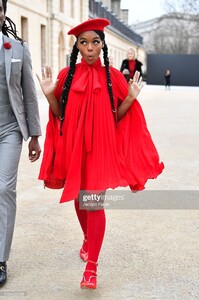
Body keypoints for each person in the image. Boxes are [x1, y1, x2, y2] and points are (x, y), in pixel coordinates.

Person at [37, 18, 164, 290]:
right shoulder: (66, 76)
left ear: (102, 44)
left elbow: (118, 117)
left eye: (95, 42)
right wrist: (50, 95)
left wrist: (129, 98)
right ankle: (86, 238)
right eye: (84, 42)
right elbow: (60, 115)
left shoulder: (113, 77)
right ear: (78, 47)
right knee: (79, 197)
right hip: (75, 147)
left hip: (101, 149)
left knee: (93, 202)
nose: (90, 48)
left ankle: (91, 269)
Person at [0, 0, 41, 287]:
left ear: (3, 12)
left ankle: (0, 258)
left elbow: (29, 94)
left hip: (10, 130)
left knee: (3, 188)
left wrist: (35, 136)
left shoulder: (18, 49)